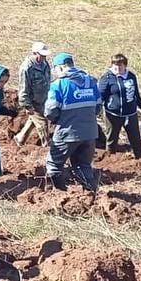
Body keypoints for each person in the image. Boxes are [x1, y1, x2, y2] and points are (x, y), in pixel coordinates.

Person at [44, 53, 102, 192]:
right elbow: (99, 106)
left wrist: (58, 120)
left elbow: (50, 110)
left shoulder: (58, 85)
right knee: (83, 166)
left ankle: (60, 194)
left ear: (60, 68)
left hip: (67, 132)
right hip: (90, 133)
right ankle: (92, 194)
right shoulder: (91, 82)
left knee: (54, 164)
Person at [98, 54, 141, 159]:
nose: (117, 68)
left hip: (131, 115)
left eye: (120, 65)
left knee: (135, 139)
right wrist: (96, 111)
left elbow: (136, 95)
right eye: (115, 65)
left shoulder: (131, 76)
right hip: (113, 115)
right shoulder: (107, 78)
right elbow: (100, 97)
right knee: (112, 140)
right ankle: (110, 161)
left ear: (125, 65)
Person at [14, 42, 53, 146]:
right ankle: (47, 145)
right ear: (34, 53)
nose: (44, 58)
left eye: (45, 56)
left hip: (43, 100)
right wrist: (27, 106)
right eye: (42, 55)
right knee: (42, 123)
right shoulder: (27, 68)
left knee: (33, 121)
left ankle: (20, 138)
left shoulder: (45, 65)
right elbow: (23, 88)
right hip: (33, 102)